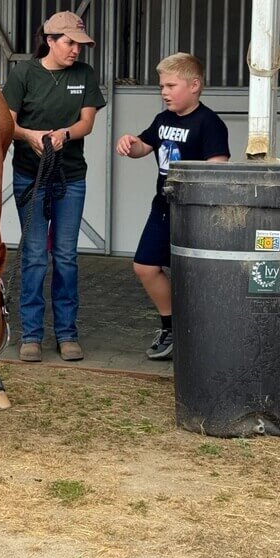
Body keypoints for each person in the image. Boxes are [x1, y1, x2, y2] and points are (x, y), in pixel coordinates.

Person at [2, 11, 106, 362]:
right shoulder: (23, 74)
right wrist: (30, 136)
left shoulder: (85, 75)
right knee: (33, 256)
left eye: (80, 44)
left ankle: (67, 333)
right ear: (49, 40)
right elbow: (7, 123)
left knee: (65, 256)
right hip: (31, 176)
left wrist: (64, 134)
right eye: (69, 43)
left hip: (70, 176)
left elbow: (87, 122)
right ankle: (31, 333)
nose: (76, 50)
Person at [116, 53, 230, 360]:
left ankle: (203, 335)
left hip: (194, 212)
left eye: (170, 85)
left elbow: (217, 169)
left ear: (194, 85)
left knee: (192, 274)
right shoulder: (163, 119)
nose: (164, 92)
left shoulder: (210, 123)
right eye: (161, 86)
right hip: (163, 206)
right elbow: (144, 146)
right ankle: (171, 327)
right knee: (145, 266)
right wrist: (129, 143)